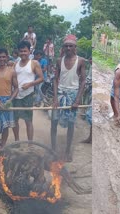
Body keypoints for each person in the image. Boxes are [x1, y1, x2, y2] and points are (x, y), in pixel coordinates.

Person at [52, 34, 86, 162]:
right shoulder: (59, 61)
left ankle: (67, 152)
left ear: (75, 47)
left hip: (72, 94)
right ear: (63, 47)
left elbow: (83, 81)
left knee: (71, 124)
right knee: (54, 122)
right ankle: (53, 150)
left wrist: (77, 100)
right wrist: (55, 98)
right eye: (66, 46)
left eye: (70, 46)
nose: (68, 48)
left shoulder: (80, 61)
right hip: (60, 93)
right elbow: (55, 80)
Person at [12, 41, 43, 141]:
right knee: (15, 120)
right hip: (16, 95)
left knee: (28, 120)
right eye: (21, 51)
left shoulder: (34, 63)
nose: (23, 53)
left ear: (29, 51)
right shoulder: (15, 64)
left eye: (25, 51)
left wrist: (30, 84)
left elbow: (41, 78)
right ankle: (17, 141)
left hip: (28, 95)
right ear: (18, 52)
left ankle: (30, 143)